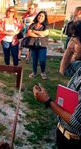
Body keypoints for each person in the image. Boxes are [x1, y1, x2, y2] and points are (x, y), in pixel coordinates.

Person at [33, 21, 81, 149]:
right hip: (64, 134)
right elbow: (64, 70)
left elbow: (77, 123)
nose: (71, 45)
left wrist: (47, 101)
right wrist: (70, 50)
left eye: (75, 42)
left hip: (74, 141)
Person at [27, 11, 49, 80]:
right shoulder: (32, 25)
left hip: (42, 46)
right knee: (34, 59)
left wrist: (34, 31)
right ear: (37, 16)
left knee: (42, 60)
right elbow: (29, 33)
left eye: (42, 16)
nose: (40, 17)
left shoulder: (46, 26)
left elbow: (45, 33)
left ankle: (43, 72)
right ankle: (34, 72)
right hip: (33, 45)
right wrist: (39, 35)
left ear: (45, 18)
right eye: (40, 15)